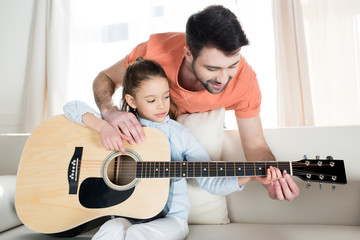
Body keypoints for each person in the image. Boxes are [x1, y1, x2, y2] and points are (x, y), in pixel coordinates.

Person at [92, 5, 299, 201]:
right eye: (212, 68)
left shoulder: (245, 81)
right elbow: (105, 78)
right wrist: (109, 111)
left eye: (232, 65)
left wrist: (274, 182)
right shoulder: (154, 52)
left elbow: (255, 145)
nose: (223, 78)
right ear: (189, 53)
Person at [65, 58, 281, 240]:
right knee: (111, 229)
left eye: (166, 97)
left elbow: (211, 180)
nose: (161, 106)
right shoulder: (120, 125)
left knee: (137, 235)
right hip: (125, 214)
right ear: (131, 100)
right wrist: (104, 125)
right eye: (151, 100)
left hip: (171, 221)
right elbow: (71, 107)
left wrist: (251, 176)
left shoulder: (179, 135)